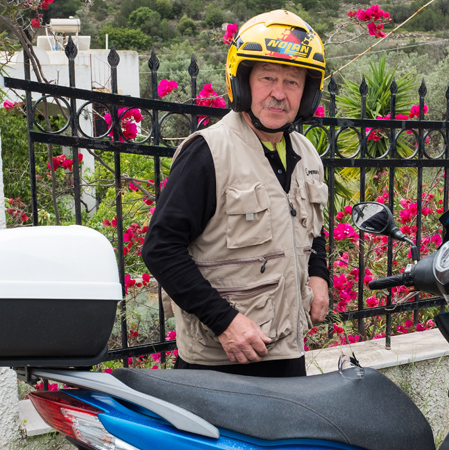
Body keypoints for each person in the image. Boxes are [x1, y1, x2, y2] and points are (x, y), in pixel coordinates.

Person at [141, 10, 330, 378]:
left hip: (287, 353)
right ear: (242, 83)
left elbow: (310, 230)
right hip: (218, 362)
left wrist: (319, 276)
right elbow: (160, 249)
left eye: (292, 82)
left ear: (307, 93)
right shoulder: (208, 152)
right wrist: (224, 322)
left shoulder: (307, 154)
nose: (279, 93)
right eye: (267, 78)